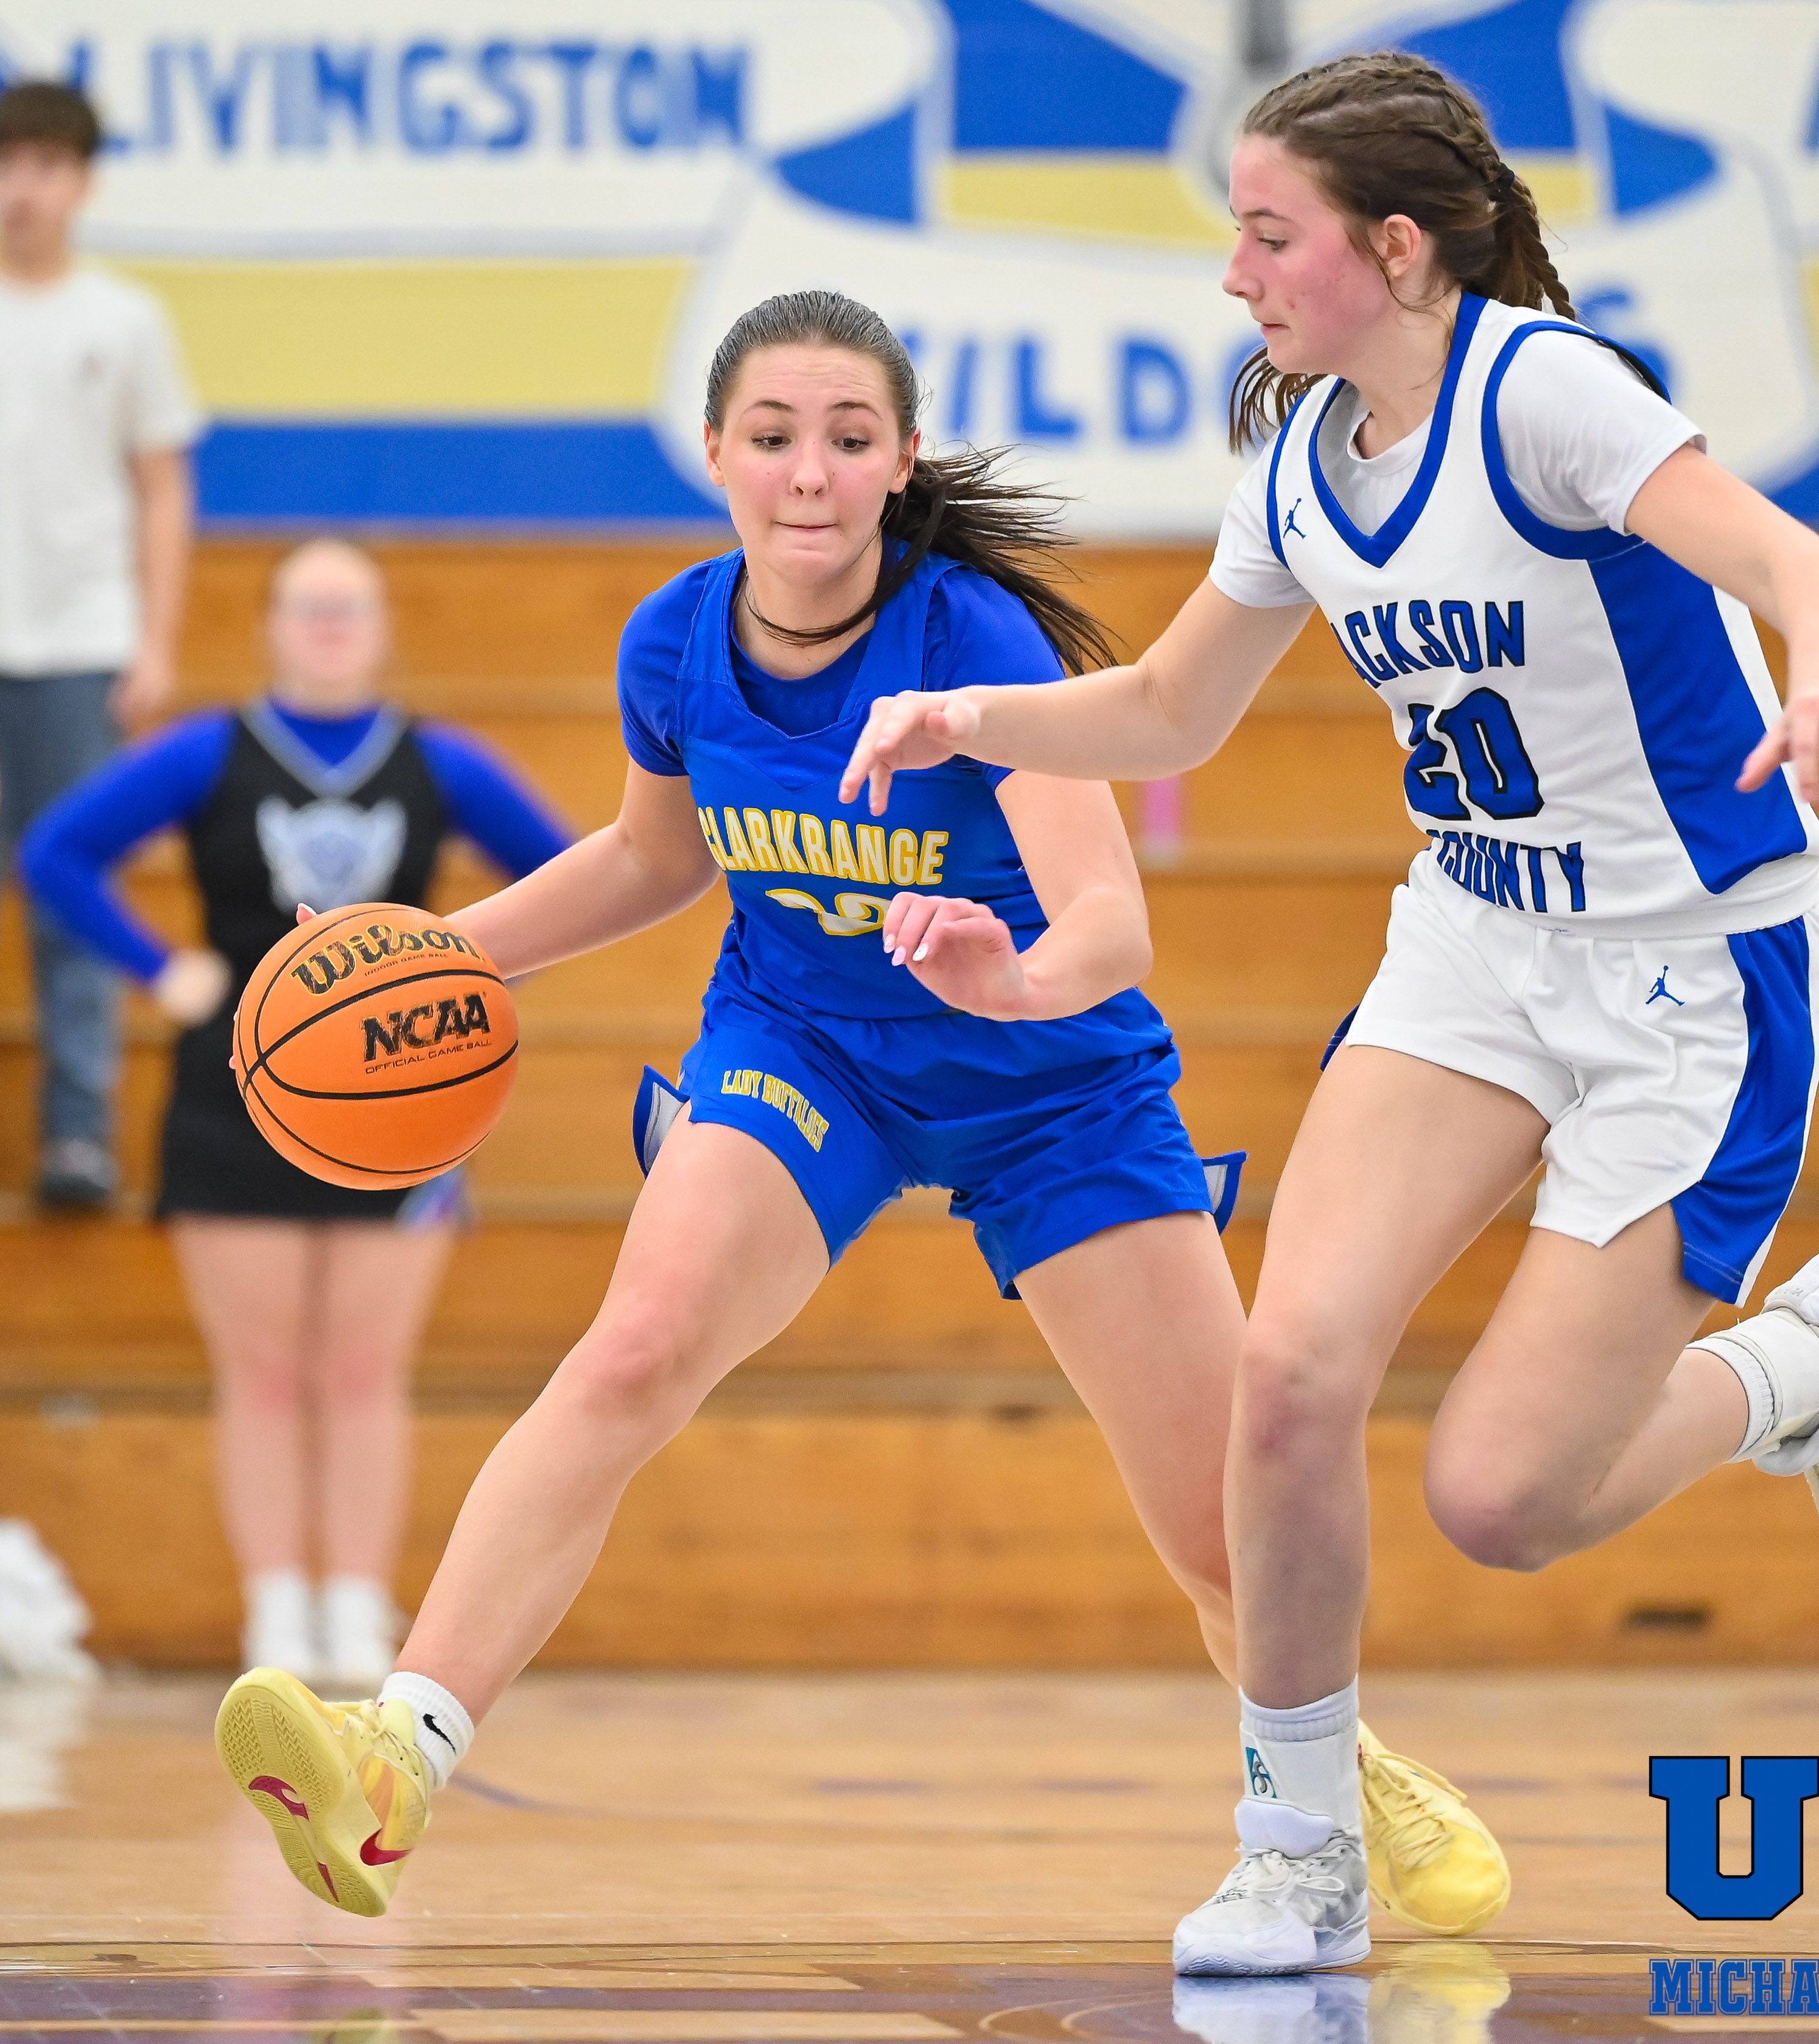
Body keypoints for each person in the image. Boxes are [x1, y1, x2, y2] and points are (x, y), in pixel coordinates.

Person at [841, 52, 1819, 1976]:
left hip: (1693, 965)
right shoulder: (1300, 461)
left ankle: (1811, 1361)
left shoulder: (1545, 394)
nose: (1235, 274)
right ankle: (1297, 1848)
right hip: (1477, 941)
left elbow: (1795, 563)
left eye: (1269, 234)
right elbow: (1173, 710)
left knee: (1503, 1499)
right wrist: (966, 716)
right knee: (1286, 1376)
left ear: (1399, 247)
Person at [206, 292, 1507, 1934]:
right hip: (806, 1048)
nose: (808, 471)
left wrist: (1006, 974)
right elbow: (655, 858)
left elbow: (1110, 927)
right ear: (716, 454)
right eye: (772, 437)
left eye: (845, 437)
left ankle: (1339, 1768)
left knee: (1215, 1530)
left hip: (1050, 1081)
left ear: (900, 460)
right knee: (633, 1346)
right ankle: (398, 1750)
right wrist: (430, 955)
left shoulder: (972, 638)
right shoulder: (674, 640)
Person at [22, 539, 572, 1687]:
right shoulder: (208, 752)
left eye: (349, 607)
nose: (328, 625)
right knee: (264, 1371)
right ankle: (274, 1614)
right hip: (234, 1095)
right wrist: (158, 966)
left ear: (383, 629)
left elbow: (573, 872)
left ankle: (357, 1611)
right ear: (270, 625)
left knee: (365, 1369)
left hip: (407, 1108)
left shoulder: (438, 762)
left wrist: (471, 984)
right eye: (308, 606)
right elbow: (57, 851)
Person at [0, 77, 200, 1208]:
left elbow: (162, 486)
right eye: (7, 163)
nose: (21, 189)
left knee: (67, 884)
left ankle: (77, 1133)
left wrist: (154, 639)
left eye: (44, 166)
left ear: (82, 182)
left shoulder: (124, 321)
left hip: (78, 643)